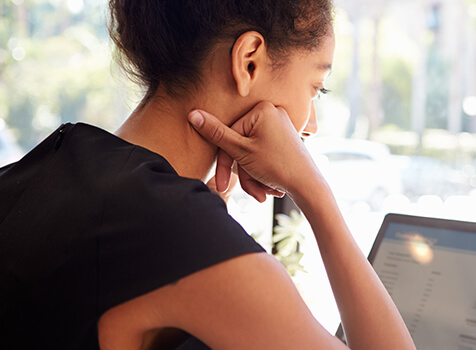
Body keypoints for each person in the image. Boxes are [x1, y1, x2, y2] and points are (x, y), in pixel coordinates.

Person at [0, 1, 415, 349]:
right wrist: (315, 193)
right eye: (316, 87)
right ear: (249, 61)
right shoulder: (176, 230)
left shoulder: (50, 164)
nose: (312, 125)